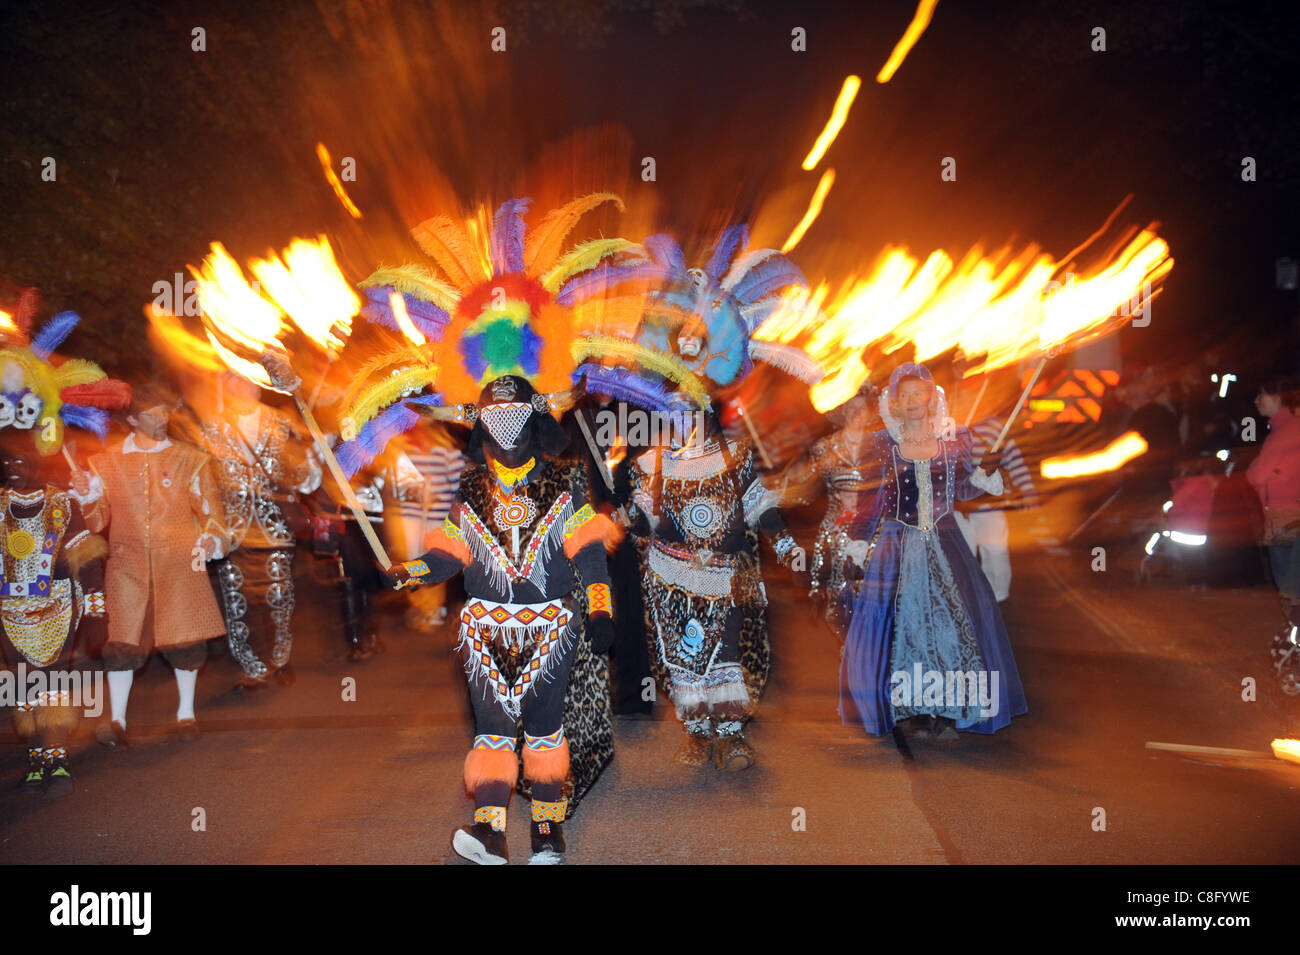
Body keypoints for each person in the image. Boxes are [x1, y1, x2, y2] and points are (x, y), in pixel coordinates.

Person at [388, 376, 617, 865]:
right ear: (481, 428)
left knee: (543, 729)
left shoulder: (567, 479)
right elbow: (449, 553)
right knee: (491, 730)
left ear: (534, 419)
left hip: (551, 627)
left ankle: (546, 830)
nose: (507, 429)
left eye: (515, 417)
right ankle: (489, 833)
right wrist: (411, 571)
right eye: (496, 418)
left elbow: (590, 553)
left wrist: (600, 609)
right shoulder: (471, 486)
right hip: (482, 631)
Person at [841, 362, 1028, 741]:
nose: (912, 402)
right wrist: (858, 543)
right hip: (897, 549)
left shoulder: (954, 441)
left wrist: (984, 473)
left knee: (952, 631)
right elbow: (871, 501)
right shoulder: (883, 445)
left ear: (931, 398)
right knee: (904, 631)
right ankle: (913, 708)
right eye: (904, 396)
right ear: (894, 403)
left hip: (947, 545)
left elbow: (963, 492)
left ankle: (946, 707)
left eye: (918, 394)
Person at [69, 383, 229, 746]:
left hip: (180, 562)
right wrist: (85, 493)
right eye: (152, 414)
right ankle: (117, 721)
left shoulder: (190, 459)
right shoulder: (105, 462)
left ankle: (186, 715)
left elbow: (212, 512)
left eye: (164, 412)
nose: (162, 419)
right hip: (127, 566)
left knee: (186, 640)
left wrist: (211, 538)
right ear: (132, 419)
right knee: (120, 643)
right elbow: (96, 521)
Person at [198, 372, 321, 688]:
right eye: (231, 379)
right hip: (234, 530)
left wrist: (313, 458)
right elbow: (204, 478)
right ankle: (252, 667)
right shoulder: (212, 426)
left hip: (274, 525)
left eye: (243, 379)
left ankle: (280, 660)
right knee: (238, 598)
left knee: (278, 595)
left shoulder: (281, 422)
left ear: (256, 383)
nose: (238, 385)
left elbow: (301, 473)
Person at [776, 383, 881, 636]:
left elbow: (896, 488)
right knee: (840, 603)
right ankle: (847, 654)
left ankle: (872, 657)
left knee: (876, 602)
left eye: (862, 408)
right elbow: (805, 487)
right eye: (851, 408)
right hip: (836, 534)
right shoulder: (825, 448)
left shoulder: (882, 448)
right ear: (843, 412)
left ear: (870, 413)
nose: (857, 414)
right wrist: (784, 488)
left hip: (873, 533)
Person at [953, 410, 1038, 603]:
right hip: (959, 503)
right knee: (963, 550)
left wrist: (1027, 489)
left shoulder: (995, 427)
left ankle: (998, 597)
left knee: (995, 549)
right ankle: (964, 597)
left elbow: (1014, 460)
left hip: (987, 502)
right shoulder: (954, 424)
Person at [1247, 375, 1300, 628]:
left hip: (1284, 519)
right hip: (1291, 516)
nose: (1256, 400)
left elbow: (1257, 475)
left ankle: (1293, 647)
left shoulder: (1283, 433)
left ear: (1278, 397)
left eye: (1262, 394)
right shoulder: (1290, 429)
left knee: (1290, 590)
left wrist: (1253, 467)